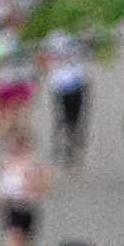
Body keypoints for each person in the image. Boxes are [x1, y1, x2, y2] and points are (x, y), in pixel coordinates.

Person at [46, 32, 89, 165]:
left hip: (76, 83)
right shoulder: (54, 37)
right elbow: (45, 58)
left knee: (75, 119)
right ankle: (65, 145)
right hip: (61, 85)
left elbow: (83, 62)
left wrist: (86, 83)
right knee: (63, 118)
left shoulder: (77, 37)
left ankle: (70, 144)